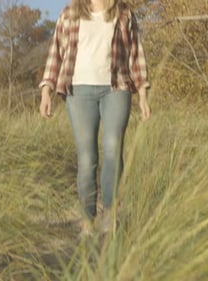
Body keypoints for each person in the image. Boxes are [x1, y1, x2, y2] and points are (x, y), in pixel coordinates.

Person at [38, 0, 151, 236]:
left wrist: (142, 94)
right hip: (78, 91)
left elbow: (135, 52)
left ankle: (110, 215)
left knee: (113, 147)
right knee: (87, 156)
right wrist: (46, 89)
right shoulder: (70, 13)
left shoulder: (123, 13)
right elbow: (56, 51)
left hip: (116, 88)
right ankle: (87, 220)